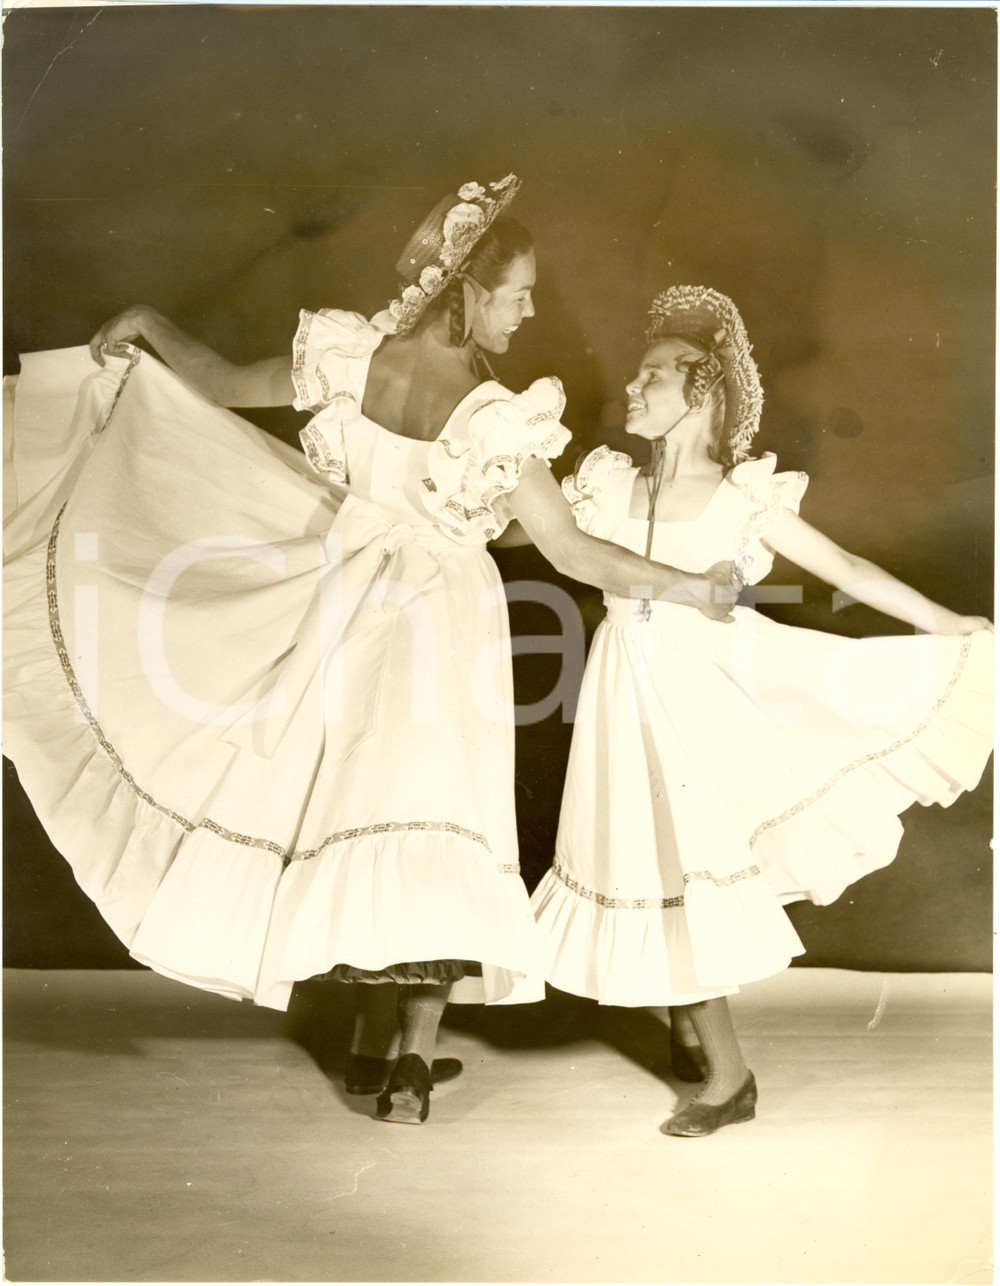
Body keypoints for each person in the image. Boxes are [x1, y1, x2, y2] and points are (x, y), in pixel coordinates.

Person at [3, 179, 735, 1126]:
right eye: (517, 292)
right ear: (467, 293)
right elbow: (573, 554)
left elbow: (219, 385)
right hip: (437, 626)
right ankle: (413, 1066)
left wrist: (148, 320)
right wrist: (692, 584)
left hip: (347, 607)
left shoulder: (352, 362)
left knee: (351, 807)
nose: (529, 309)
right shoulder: (493, 418)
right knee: (435, 819)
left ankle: (364, 1052)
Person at [529, 285, 993, 1137]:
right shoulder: (603, 484)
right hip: (620, 689)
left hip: (704, 694)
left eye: (653, 378)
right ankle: (688, 1024)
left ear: (699, 391)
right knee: (646, 857)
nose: (632, 391)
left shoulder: (745, 498)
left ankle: (729, 1079)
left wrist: (947, 624)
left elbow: (845, 567)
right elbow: (524, 529)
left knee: (684, 865)